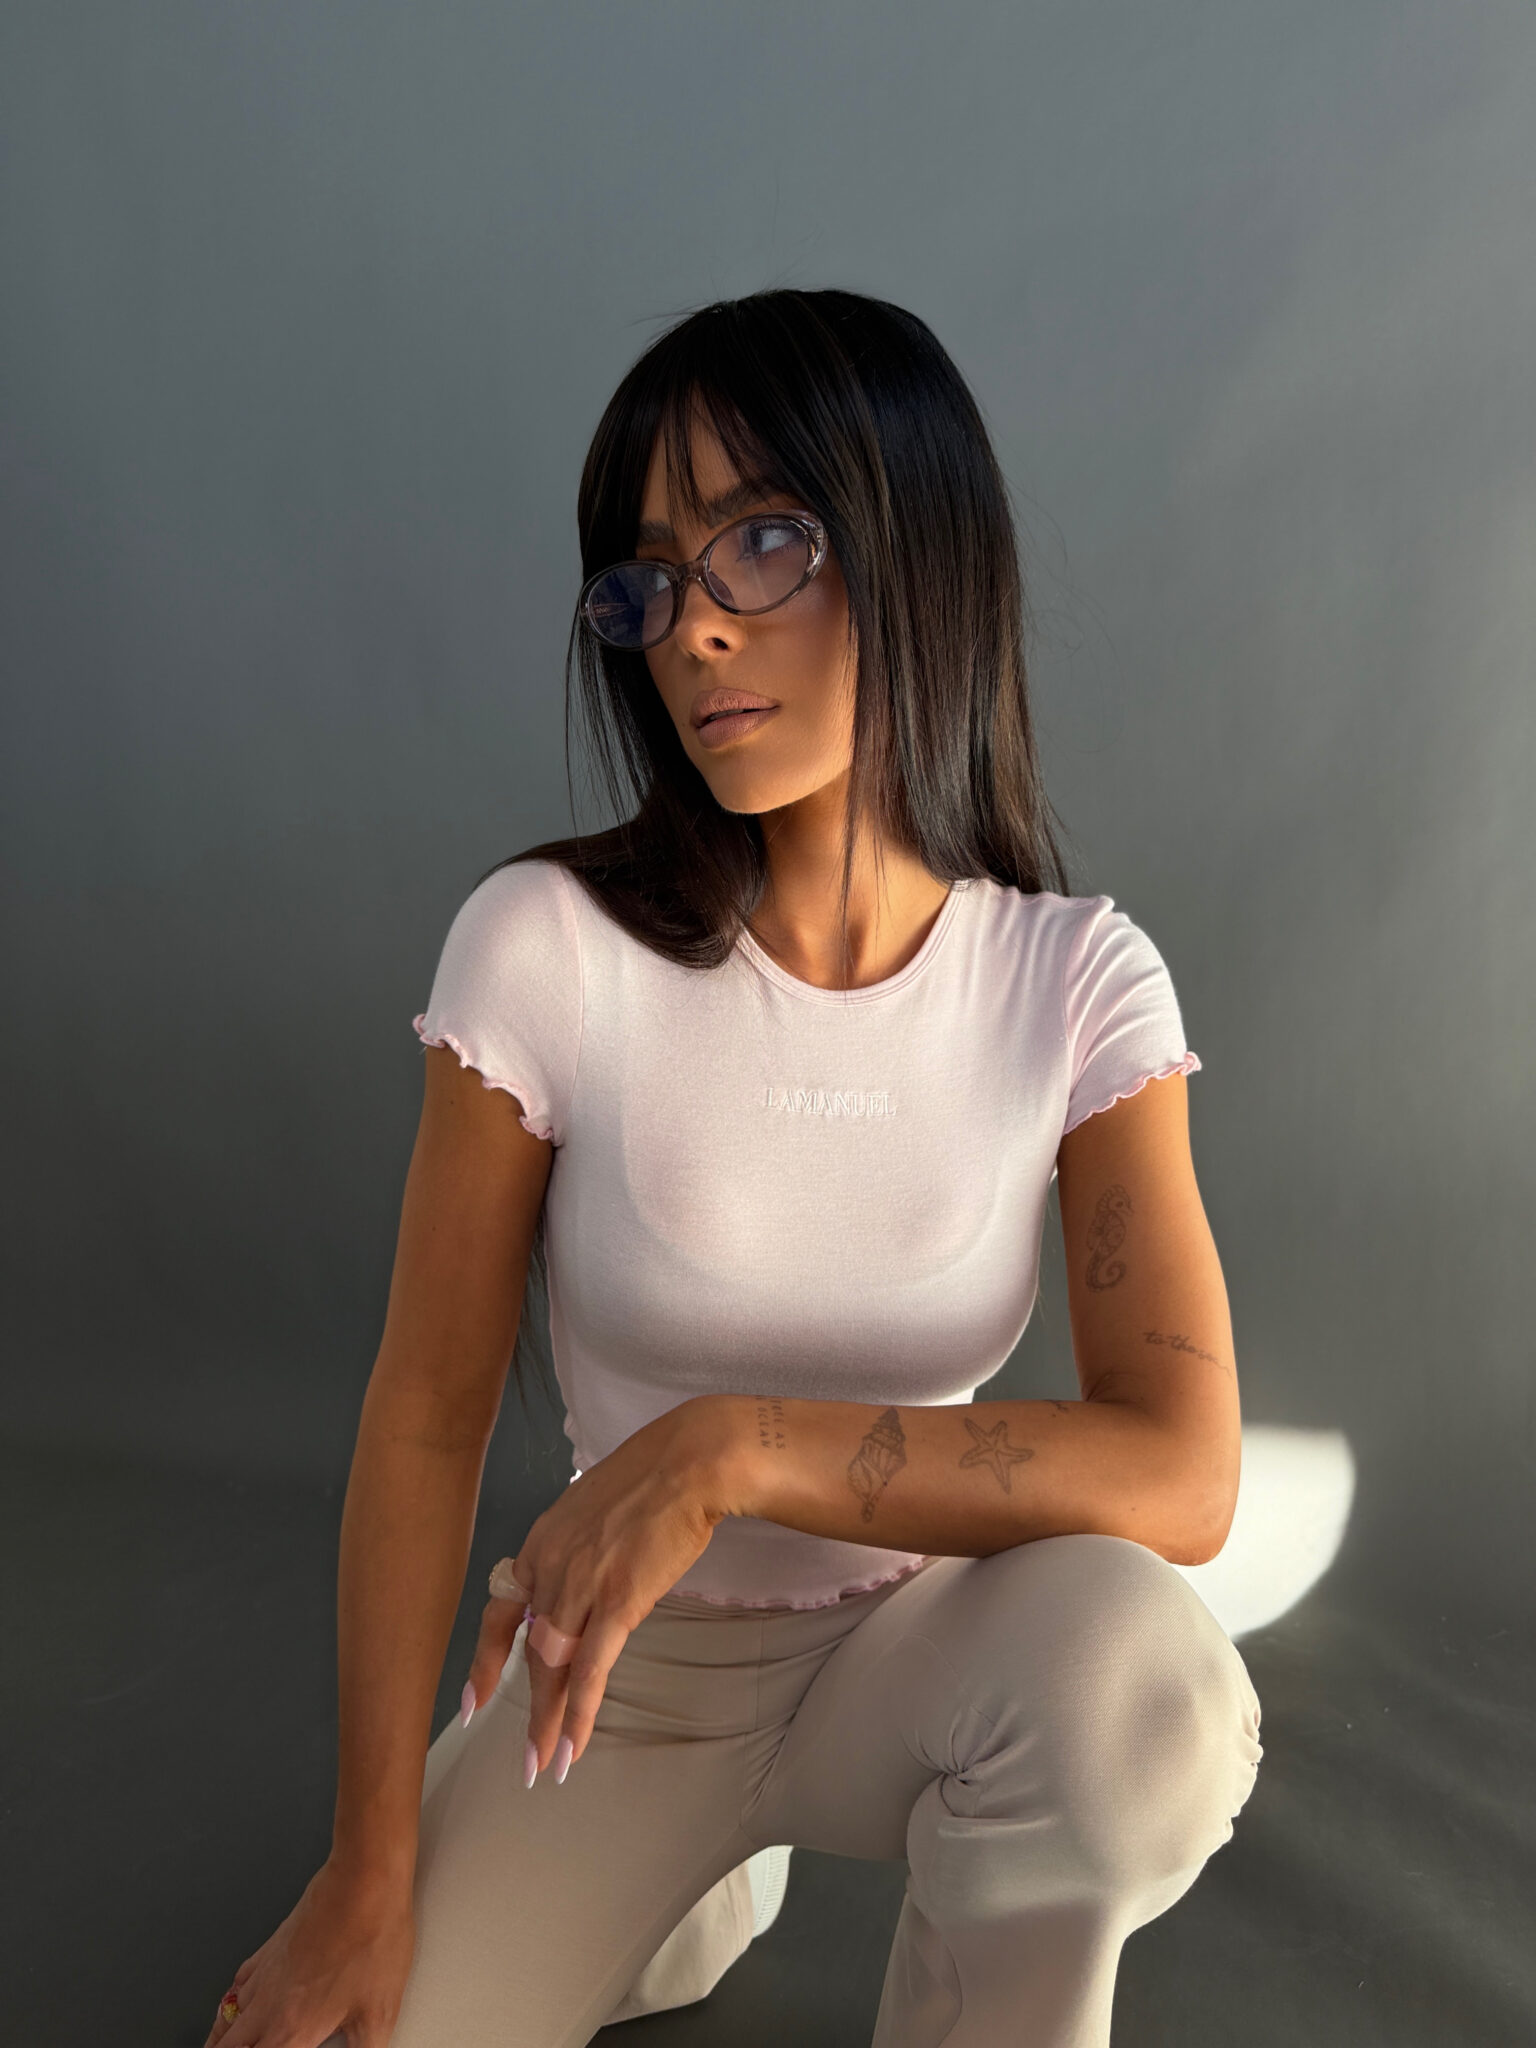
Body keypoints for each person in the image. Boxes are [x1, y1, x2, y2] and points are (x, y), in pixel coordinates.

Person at [204, 288, 1262, 2048]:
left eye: (763, 542)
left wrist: (734, 1446)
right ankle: (679, 1889)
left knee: (1143, 1689)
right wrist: (364, 1868)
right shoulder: (547, 945)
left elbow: (1184, 1467)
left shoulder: (1075, 984)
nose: (692, 629)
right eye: (649, 579)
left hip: (930, 1650)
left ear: (922, 546)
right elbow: (425, 1417)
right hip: (614, 1680)